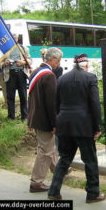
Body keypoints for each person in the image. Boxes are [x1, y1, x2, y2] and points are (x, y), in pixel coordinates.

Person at [48, 53, 106, 203]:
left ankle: (53, 191)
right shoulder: (90, 78)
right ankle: (93, 193)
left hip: (64, 124)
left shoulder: (62, 78)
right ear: (86, 65)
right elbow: (95, 104)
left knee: (64, 158)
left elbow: (56, 104)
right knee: (90, 160)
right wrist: (97, 126)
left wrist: (56, 123)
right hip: (83, 125)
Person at [28, 47, 63, 193]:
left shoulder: (36, 72)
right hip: (44, 120)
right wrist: (54, 123)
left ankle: (59, 170)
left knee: (48, 147)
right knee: (45, 151)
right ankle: (36, 182)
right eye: (59, 60)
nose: (59, 63)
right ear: (52, 59)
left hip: (35, 117)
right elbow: (51, 103)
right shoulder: (49, 76)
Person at [1, 34, 32, 121]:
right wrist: (4, 63)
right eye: (12, 37)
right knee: (10, 97)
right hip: (10, 74)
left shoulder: (23, 48)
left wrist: (23, 62)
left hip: (21, 73)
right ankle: (11, 117)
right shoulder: (5, 49)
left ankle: (25, 116)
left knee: (23, 95)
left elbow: (30, 60)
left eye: (15, 37)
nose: (14, 38)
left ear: (17, 38)